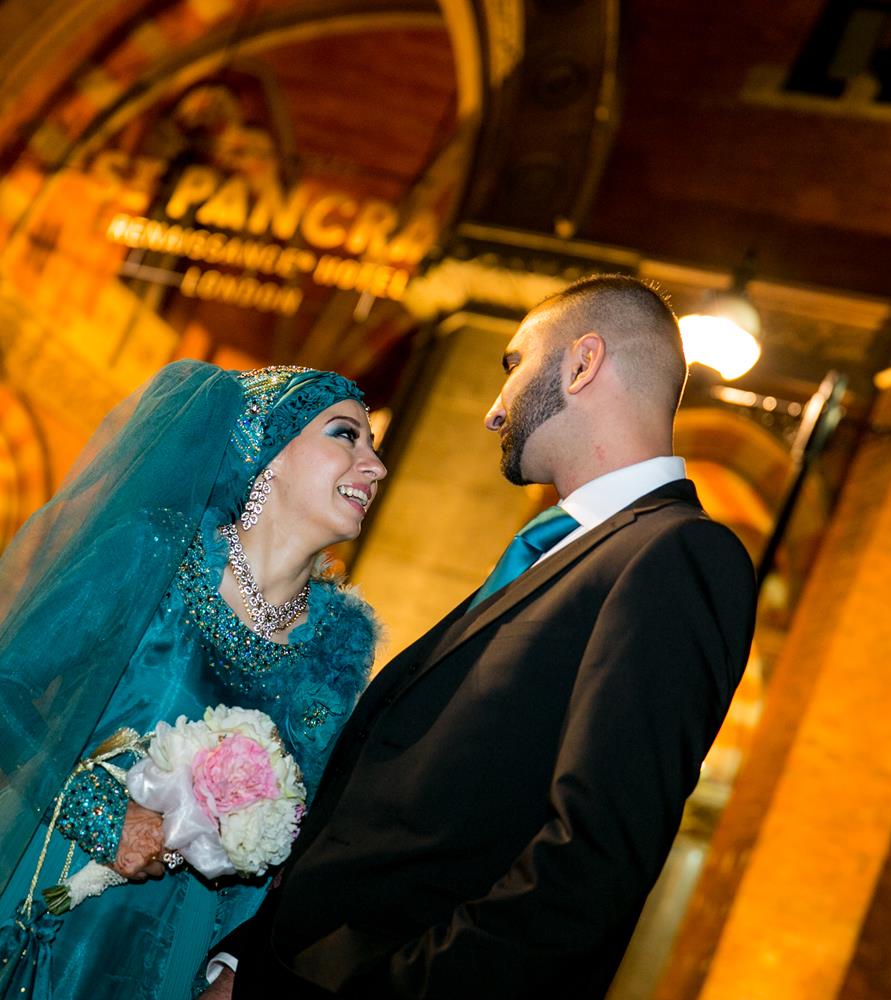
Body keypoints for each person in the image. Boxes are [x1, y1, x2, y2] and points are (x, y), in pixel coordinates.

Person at [207, 274, 758, 998]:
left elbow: (587, 868)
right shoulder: (556, 550)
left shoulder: (675, 556)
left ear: (581, 363)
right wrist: (249, 961)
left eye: (513, 365)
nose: (495, 412)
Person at [0, 361, 386, 1000]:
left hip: (187, 952)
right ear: (264, 446)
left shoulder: (343, 642)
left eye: (374, 446)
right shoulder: (153, 551)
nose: (375, 465)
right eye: (346, 435)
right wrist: (101, 813)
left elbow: (308, 830)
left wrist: (236, 966)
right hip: (60, 896)